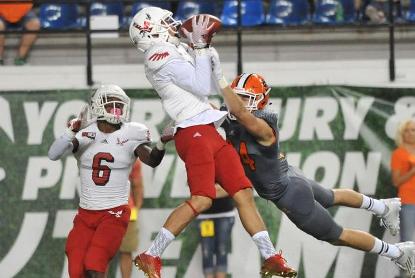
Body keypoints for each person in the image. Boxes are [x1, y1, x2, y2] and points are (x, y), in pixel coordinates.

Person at [128, 7, 297, 278]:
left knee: (242, 192)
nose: (173, 26)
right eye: (166, 23)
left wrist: (203, 49)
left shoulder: (172, 51)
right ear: (151, 30)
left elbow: (209, 80)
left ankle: (270, 256)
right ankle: (152, 254)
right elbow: (201, 86)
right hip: (192, 132)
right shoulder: (158, 54)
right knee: (203, 199)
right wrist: (200, 47)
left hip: (207, 129)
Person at [213, 69, 415, 276]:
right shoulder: (232, 115)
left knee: (337, 235)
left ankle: (397, 252)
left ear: (260, 102)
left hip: (289, 194)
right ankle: (383, 206)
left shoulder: (263, 124)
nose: (237, 102)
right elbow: (212, 112)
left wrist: (220, 80)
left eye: (244, 97)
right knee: (330, 196)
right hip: (288, 176)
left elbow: (243, 115)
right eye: (236, 96)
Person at [48, 84, 168, 278]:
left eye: (119, 104)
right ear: (98, 106)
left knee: (95, 262)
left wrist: (161, 143)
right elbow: (53, 154)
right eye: (111, 103)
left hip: (115, 212)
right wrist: (70, 132)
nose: (116, 108)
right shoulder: (86, 133)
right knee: (76, 267)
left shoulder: (131, 134)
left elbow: (152, 160)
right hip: (86, 213)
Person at [196, 186, 235, 278]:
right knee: (206, 251)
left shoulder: (227, 170)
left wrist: (206, 191)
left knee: (222, 249)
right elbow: (196, 190)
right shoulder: (199, 171)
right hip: (204, 217)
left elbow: (233, 188)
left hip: (225, 215)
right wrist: (221, 189)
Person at [118, 159, 144, 278]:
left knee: (102, 255)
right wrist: (135, 208)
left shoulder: (96, 151)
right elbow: (137, 184)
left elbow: (137, 184)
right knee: (126, 253)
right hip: (126, 209)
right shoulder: (131, 155)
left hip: (103, 210)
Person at [391, 119, 415, 243]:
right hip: (409, 202)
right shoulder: (398, 153)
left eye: (413, 130)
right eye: (406, 130)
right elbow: (396, 181)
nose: (410, 133)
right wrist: (412, 171)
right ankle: (407, 263)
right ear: (402, 134)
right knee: (407, 242)